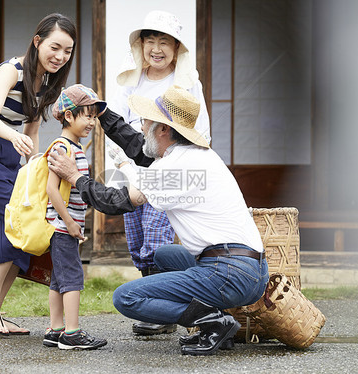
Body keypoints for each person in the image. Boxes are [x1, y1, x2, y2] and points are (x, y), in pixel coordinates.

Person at [48, 86, 269, 356]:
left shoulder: (176, 169)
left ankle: (212, 322)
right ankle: (217, 324)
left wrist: (76, 178)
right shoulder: (196, 155)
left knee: (126, 297)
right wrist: (103, 114)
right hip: (253, 271)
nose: (140, 128)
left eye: (145, 121)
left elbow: (114, 202)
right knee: (164, 255)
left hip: (230, 274)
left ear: (162, 129)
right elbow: (141, 150)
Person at [0, 13, 77, 336]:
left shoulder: (50, 83)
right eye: (55, 47)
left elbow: (32, 129)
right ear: (37, 41)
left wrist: (35, 166)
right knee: (14, 224)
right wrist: (14, 139)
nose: (60, 56)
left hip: (13, 154)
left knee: (25, 223)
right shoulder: (9, 71)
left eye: (67, 51)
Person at [107, 9, 211, 336]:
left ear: (176, 47)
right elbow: (116, 129)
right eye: (150, 40)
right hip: (130, 172)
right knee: (137, 242)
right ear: (140, 45)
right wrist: (125, 168)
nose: (156, 48)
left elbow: (201, 131)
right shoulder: (130, 82)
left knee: (156, 239)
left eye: (163, 41)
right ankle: (154, 305)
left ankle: (162, 310)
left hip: (169, 172)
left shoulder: (187, 82)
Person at [42, 84, 108, 350]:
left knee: (59, 278)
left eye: (94, 116)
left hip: (63, 225)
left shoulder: (73, 146)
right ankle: (72, 333)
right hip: (62, 226)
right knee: (72, 277)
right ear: (69, 116)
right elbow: (50, 189)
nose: (92, 122)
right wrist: (69, 222)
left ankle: (56, 329)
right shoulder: (63, 147)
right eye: (87, 115)